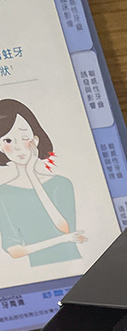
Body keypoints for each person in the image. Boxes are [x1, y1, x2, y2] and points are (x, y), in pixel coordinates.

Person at [0, 98, 87, 267]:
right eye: (8, 140)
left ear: (36, 140)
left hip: (75, 263)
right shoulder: (3, 194)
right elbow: (14, 250)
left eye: (24, 137)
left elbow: (65, 228)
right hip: (38, 267)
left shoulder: (61, 184)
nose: (18, 147)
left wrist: (31, 175)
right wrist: (63, 240)